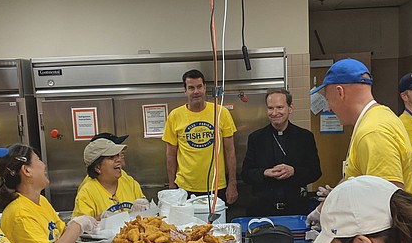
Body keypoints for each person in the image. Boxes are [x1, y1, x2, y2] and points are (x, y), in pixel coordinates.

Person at [309, 58, 412, 243]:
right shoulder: (374, 121)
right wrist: (329, 204)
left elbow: (387, 198)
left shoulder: (374, 131)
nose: (329, 106)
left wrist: (339, 227)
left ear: (340, 91)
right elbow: (365, 185)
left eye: (327, 97)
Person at [0, 144, 97, 243]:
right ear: (26, 170)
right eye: (38, 160)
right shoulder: (19, 214)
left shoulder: (40, 201)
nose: (43, 165)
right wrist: (76, 226)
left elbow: (62, 236)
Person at [162, 69, 238, 204]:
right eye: (191, 88)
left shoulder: (221, 112)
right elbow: (170, 155)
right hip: (185, 187)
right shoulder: (175, 116)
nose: (196, 91)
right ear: (185, 91)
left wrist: (232, 184)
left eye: (199, 87)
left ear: (205, 88)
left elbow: (230, 151)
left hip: (217, 186)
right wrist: (172, 186)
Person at [241, 88, 321, 216]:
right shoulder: (256, 138)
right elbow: (245, 174)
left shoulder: (304, 137)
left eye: (279, 107)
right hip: (262, 209)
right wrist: (265, 172)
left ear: (290, 108)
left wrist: (293, 171)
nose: (275, 112)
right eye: (270, 108)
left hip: (295, 208)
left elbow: (315, 171)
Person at [72, 138, 146, 219]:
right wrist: (100, 218)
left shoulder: (128, 181)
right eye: (111, 157)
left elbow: (144, 205)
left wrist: (144, 207)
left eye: (118, 155)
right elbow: (79, 226)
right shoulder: (87, 193)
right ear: (97, 167)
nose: (119, 160)